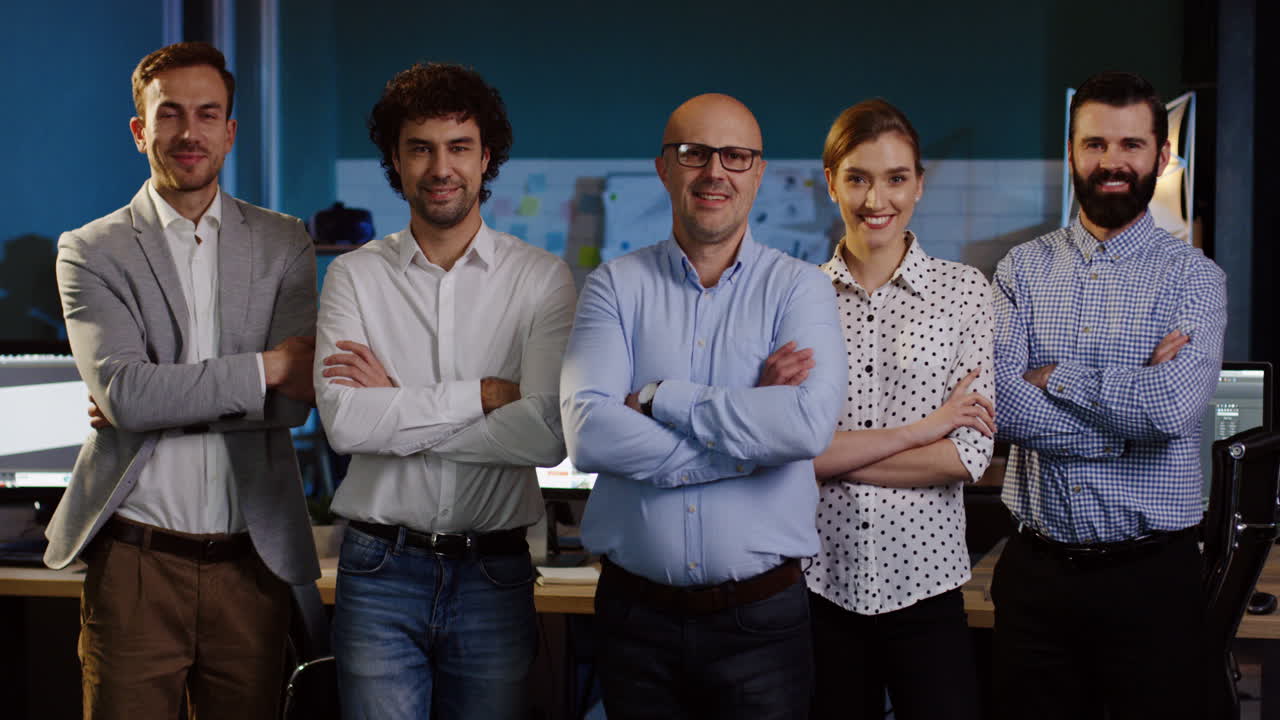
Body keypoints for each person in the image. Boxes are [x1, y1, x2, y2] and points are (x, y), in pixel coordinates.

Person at [45, 41, 319, 720]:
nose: (188, 133)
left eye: (208, 114)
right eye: (169, 115)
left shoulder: (285, 242)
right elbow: (129, 396)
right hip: (138, 563)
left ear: (230, 130)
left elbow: (292, 408)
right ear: (141, 131)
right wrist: (263, 367)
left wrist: (159, 399)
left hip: (251, 562)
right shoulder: (91, 249)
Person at [560, 93, 846, 720]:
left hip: (761, 625)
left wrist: (661, 398)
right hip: (635, 621)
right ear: (665, 168)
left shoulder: (801, 288)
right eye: (694, 153)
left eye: (736, 156)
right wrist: (749, 441)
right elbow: (588, 436)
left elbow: (804, 426)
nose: (715, 172)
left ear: (758, 171)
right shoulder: (614, 286)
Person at [314, 62, 575, 720]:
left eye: (459, 147)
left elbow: (546, 435)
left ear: (487, 159)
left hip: (494, 572)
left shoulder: (542, 280)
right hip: (377, 569)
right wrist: (487, 392)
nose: (440, 168)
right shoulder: (352, 277)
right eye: (420, 148)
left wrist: (399, 408)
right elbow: (347, 426)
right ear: (395, 162)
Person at [991, 71, 1227, 719]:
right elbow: (1004, 406)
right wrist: (1130, 429)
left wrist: (1057, 377)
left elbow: (1173, 410)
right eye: (1094, 144)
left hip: (1150, 580)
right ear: (1071, 151)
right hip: (1036, 576)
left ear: (1162, 156)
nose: (1112, 161)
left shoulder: (1195, 280)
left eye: (1131, 145)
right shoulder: (1020, 269)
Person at [806, 98, 994, 720]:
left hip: (928, 587)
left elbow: (966, 454)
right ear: (831, 182)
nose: (875, 198)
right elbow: (785, 450)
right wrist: (924, 430)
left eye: (895, 178)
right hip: (816, 587)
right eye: (857, 177)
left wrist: (829, 455)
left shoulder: (965, 291)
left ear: (918, 184)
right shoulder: (796, 296)